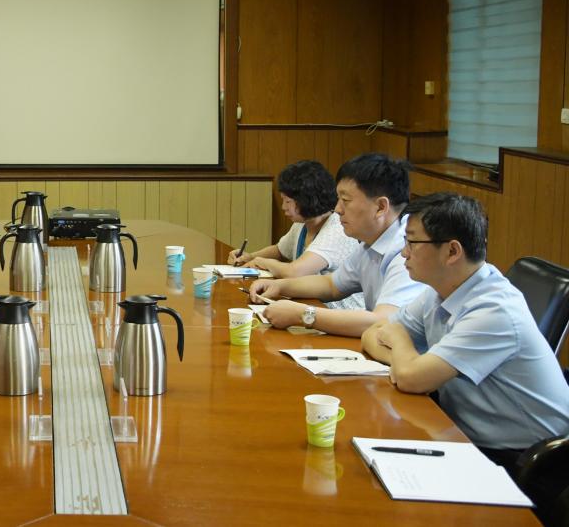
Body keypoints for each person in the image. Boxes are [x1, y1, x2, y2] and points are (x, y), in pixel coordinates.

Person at [362, 193, 569, 464]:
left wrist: (401, 344)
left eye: (412, 242)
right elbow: (372, 334)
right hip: (459, 431)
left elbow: (411, 378)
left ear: (452, 251)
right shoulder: (440, 291)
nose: (404, 252)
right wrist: (405, 364)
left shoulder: (494, 310)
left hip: (528, 459)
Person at [250, 153, 425, 337]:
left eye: (346, 201)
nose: (338, 209)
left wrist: (303, 315)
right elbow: (332, 285)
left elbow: (382, 322)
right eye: (338, 199)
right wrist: (280, 286)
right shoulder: (371, 242)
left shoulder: (408, 249)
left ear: (381, 207)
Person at [227, 160, 364, 309]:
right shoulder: (303, 223)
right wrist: (250, 257)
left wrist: (262, 262)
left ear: (306, 200)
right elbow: (280, 250)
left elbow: (294, 272)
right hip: (309, 306)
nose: (283, 207)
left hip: (338, 313)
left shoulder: (336, 230)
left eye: (287, 201)